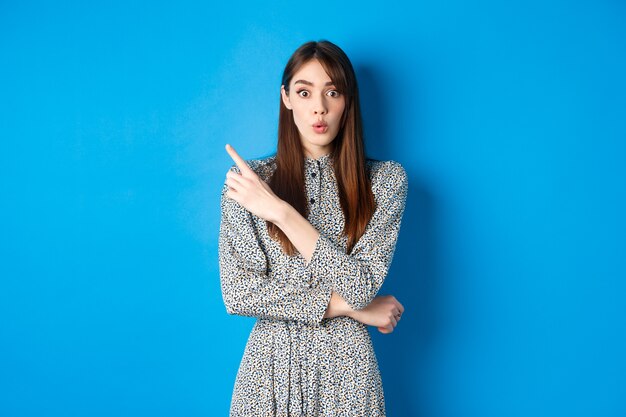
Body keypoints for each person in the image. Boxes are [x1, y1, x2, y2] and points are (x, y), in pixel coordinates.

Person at [219, 40, 408, 416]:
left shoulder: (385, 182)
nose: (319, 107)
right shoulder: (250, 183)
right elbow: (239, 294)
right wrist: (355, 310)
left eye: (332, 92)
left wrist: (281, 213)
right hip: (268, 370)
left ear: (347, 101)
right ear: (286, 98)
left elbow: (359, 286)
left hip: (347, 372)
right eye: (304, 92)